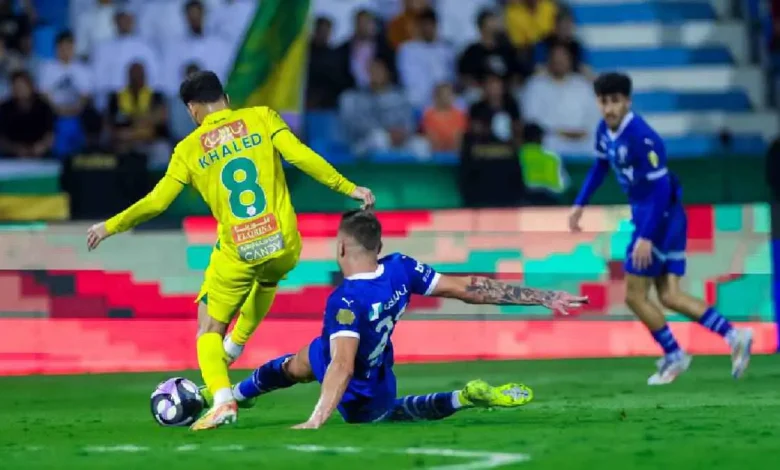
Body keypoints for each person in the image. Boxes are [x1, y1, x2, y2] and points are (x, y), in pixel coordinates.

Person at [85, 71, 375, 431]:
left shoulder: (188, 149)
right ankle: (235, 348)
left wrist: (108, 226)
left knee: (207, 327)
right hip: (284, 242)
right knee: (268, 279)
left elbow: (157, 203)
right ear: (224, 96)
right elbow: (300, 156)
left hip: (239, 248)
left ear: (192, 109)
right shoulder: (261, 117)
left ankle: (222, 400)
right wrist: (348, 187)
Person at [202, 210, 587, 429]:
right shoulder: (400, 268)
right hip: (380, 368)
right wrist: (543, 296)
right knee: (303, 360)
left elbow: (343, 364)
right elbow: (470, 288)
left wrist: (316, 418)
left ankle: (460, 398)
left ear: (339, 247)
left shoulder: (345, 300)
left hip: (359, 389)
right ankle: (232, 397)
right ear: (379, 247)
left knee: (374, 409)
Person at [568, 72, 753, 385]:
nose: (610, 108)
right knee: (669, 294)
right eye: (604, 101)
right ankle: (734, 335)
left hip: (659, 217)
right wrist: (579, 203)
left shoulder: (642, 137)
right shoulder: (604, 131)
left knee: (634, 294)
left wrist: (645, 235)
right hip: (658, 217)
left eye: (616, 101)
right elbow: (600, 167)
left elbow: (659, 190)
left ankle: (675, 355)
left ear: (627, 101)